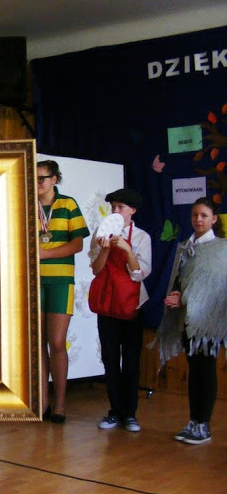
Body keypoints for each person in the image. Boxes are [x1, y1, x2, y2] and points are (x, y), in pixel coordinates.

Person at [154, 197, 227, 444]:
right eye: (195, 215)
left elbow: (214, 287)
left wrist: (183, 297)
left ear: (214, 219)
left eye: (204, 215)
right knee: (195, 370)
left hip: (209, 320)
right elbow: (180, 279)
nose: (198, 219)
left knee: (205, 370)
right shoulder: (186, 247)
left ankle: (203, 425)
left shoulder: (221, 249)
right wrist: (176, 294)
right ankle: (194, 421)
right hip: (188, 319)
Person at [89, 189, 151, 432]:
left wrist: (126, 249)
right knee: (110, 358)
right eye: (113, 207)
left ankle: (130, 413)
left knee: (132, 360)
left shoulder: (142, 237)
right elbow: (96, 270)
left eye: (121, 208)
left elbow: (139, 275)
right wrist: (105, 248)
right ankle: (115, 410)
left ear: (132, 211)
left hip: (132, 304)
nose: (115, 211)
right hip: (107, 304)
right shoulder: (100, 233)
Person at [36, 160, 89, 423]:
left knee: (56, 342)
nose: (37, 183)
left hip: (60, 282)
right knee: (37, 344)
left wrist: (44, 254)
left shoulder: (68, 205)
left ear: (54, 179)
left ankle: (60, 404)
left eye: (41, 178)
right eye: (33, 178)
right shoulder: (25, 204)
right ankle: (42, 403)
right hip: (33, 282)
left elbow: (77, 245)